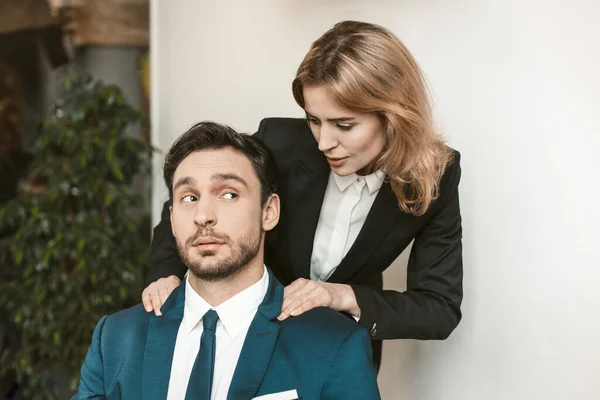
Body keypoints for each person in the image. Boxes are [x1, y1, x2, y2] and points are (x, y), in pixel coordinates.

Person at [144, 20, 463, 371]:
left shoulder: (437, 174)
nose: (324, 142)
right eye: (313, 120)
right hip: (250, 336)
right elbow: (190, 197)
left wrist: (342, 296)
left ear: (393, 117)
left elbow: (439, 308)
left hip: (343, 348)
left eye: (344, 125)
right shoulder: (280, 141)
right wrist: (167, 275)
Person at [73, 122, 380, 400]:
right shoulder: (115, 338)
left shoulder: (336, 344)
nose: (204, 215)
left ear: (269, 211)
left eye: (229, 194)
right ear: (172, 218)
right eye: (189, 197)